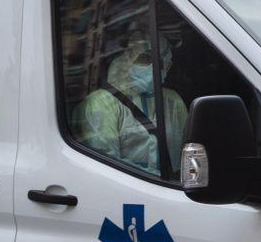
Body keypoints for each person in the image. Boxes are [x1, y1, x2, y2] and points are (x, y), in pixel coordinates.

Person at [75, 33, 187, 177]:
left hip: (173, 191)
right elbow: (105, 162)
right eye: (145, 58)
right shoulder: (101, 103)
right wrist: (156, 178)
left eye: (159, 62)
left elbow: (188, 150)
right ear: (127, 60)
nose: (153, 67)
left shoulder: (173, 101)